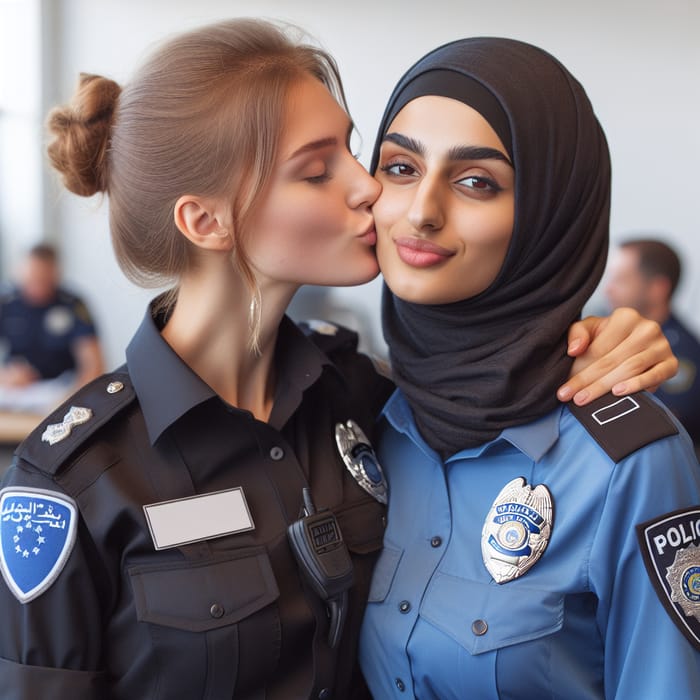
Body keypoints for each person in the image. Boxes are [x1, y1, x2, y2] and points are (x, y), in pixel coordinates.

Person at [0, 19, 680, 700]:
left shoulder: (363, 398)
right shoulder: (74, 481)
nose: (373, 191)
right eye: (320, 170)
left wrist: (600, 336)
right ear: (206, 221)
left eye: (360, 154)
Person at [358, 37, 700, 698]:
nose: (422, 211)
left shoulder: (630, 460)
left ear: (550, 215)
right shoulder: (360, 416)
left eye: (476, 182)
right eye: (400, 168)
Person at [605, 238, 700, 452]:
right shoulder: (605, 331)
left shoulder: (684, 355)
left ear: (657, 288)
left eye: (621, 281)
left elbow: (660, 426)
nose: (608, 290)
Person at [0, 243, 104, 412]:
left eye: (43, 280)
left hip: (61, 393)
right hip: (16, 394)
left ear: (56, 274)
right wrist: (5, 376)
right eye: (31, 280)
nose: (36, 288)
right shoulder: (6, 302)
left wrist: (75, 398)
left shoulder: (73, 304)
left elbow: (93, 365)